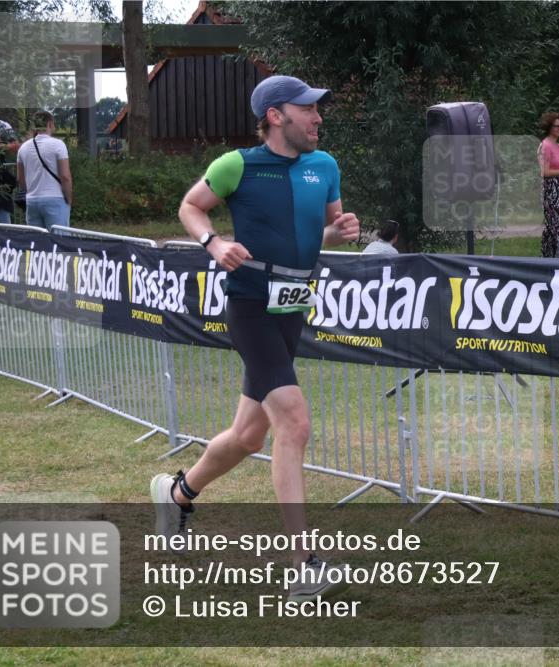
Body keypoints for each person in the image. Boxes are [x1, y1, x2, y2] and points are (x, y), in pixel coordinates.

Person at [150, 75, 360, 601]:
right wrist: (214, 242)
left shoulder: (325, 166)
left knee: (249, 436)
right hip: (249, 306)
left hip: (292, 304)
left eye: (318, 109)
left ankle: (176, 494)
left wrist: (341, 232)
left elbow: (323, 231)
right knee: (294, 421)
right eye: (307, 109)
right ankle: (304, 563)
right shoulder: (236, 165)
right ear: (275, 116)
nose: (318, 117)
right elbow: (190, 206)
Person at [16, 111, 73, 229]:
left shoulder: (23, 148)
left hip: (32, 201)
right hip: (55, 199)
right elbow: (65, 176)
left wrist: (30, 191)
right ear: (50, 124)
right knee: (58, 242)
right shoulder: (58, 145)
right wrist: (69, 199)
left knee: (37, 243)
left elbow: (20, 178)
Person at [538, 112, 559, 258]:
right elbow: (544, 172)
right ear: (549, 127)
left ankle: (552, 256)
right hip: (550, 189)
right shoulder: (545, 145)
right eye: (556, 126)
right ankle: (554, 256)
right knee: (555, 225)